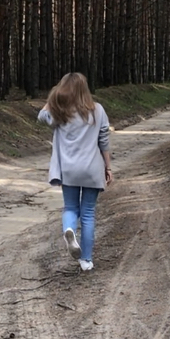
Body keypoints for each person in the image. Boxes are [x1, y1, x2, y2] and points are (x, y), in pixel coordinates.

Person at [38, 72, 112, 272]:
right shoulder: (98, 110)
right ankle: (86, 260)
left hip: (69, 169)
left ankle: (69, 229)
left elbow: (41, 115)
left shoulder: (60, 113)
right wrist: (108, 167)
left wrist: (53, 98)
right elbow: (104, 140)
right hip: (92, 169)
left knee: (70, 207)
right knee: (88, 214)